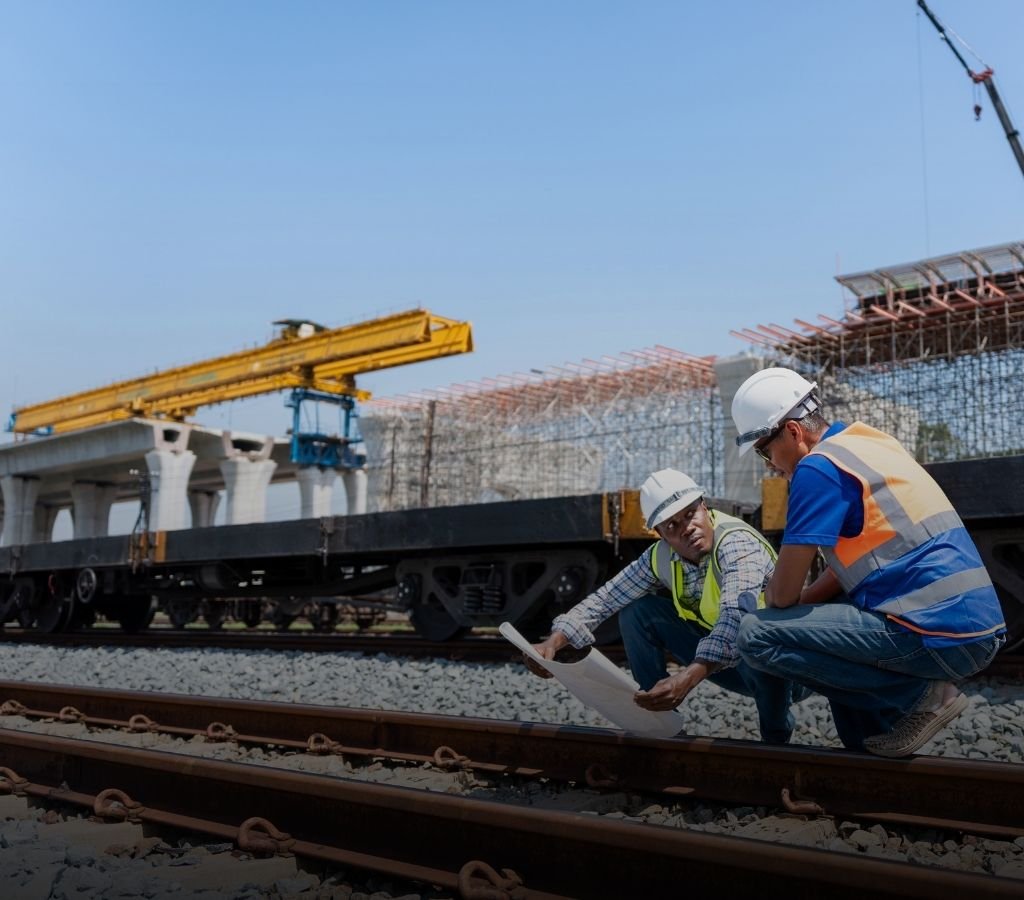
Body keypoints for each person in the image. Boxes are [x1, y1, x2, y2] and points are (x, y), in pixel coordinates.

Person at [730, 367, 1006, 756]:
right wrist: (808, 609)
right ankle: (871, 750)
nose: (769, 464)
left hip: (931, 631)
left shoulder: (817, 469)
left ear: (792, 432)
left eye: (764, 450)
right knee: (834, 620)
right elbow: (852, 567)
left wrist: (768, 608)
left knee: (756, 633)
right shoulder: (867, 443)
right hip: (972, 624)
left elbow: (781, 597)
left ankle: (923, 698)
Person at [526, 468, 805, 744]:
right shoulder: (660, 557)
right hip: (726, 663)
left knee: (752, 632)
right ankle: (659, 717)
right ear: (660, 534)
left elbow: (735, 618)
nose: (687, 528)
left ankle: (777, 740)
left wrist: (687, 678)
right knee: (639, 611)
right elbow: (607, 598)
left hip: (786, 670)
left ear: (704, 507)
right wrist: (555, 641)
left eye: (690, 514)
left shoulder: (736, 544)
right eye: (672, 526)